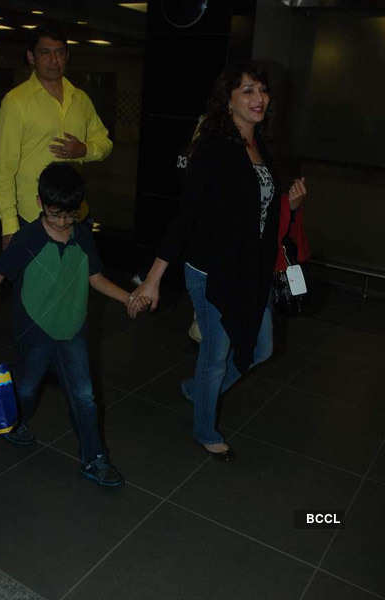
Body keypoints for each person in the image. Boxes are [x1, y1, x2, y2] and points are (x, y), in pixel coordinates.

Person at [130, 62, 307, 462]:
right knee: (216, 354)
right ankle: (204, 427)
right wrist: (153, 279)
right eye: (247, 90)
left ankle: (197, 391)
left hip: (252, 270)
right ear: (227, 101)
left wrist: (288, 204)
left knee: (259, 349)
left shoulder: (262, 145)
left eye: (262, 90)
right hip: (212, 270)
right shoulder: (212, 146)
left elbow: (257, 213)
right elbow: (186, 216)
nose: (258, 98)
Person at [0, 163, 150, 487]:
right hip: (34, 331)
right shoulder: (27, 238)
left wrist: (128, 298)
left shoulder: (83, 236)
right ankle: (16, 423)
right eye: (54, 214)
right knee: (27, 387)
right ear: (40, 204)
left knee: (85, 396)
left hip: (72, 329)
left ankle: (95, 459)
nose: (62, 222)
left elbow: (96, 278)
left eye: (69, 215)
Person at [0, 24, 113, 249]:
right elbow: (4, 169)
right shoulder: (15, 102)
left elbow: (105, 143)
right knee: (33, 283)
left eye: (59, 52)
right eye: (45, 53)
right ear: (31, 57)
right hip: (32, 216)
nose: (53, 60)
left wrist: (84, 150)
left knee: (75, 282)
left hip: (75, 214)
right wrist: (9, 226)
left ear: (67, 56)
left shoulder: (80, 99)